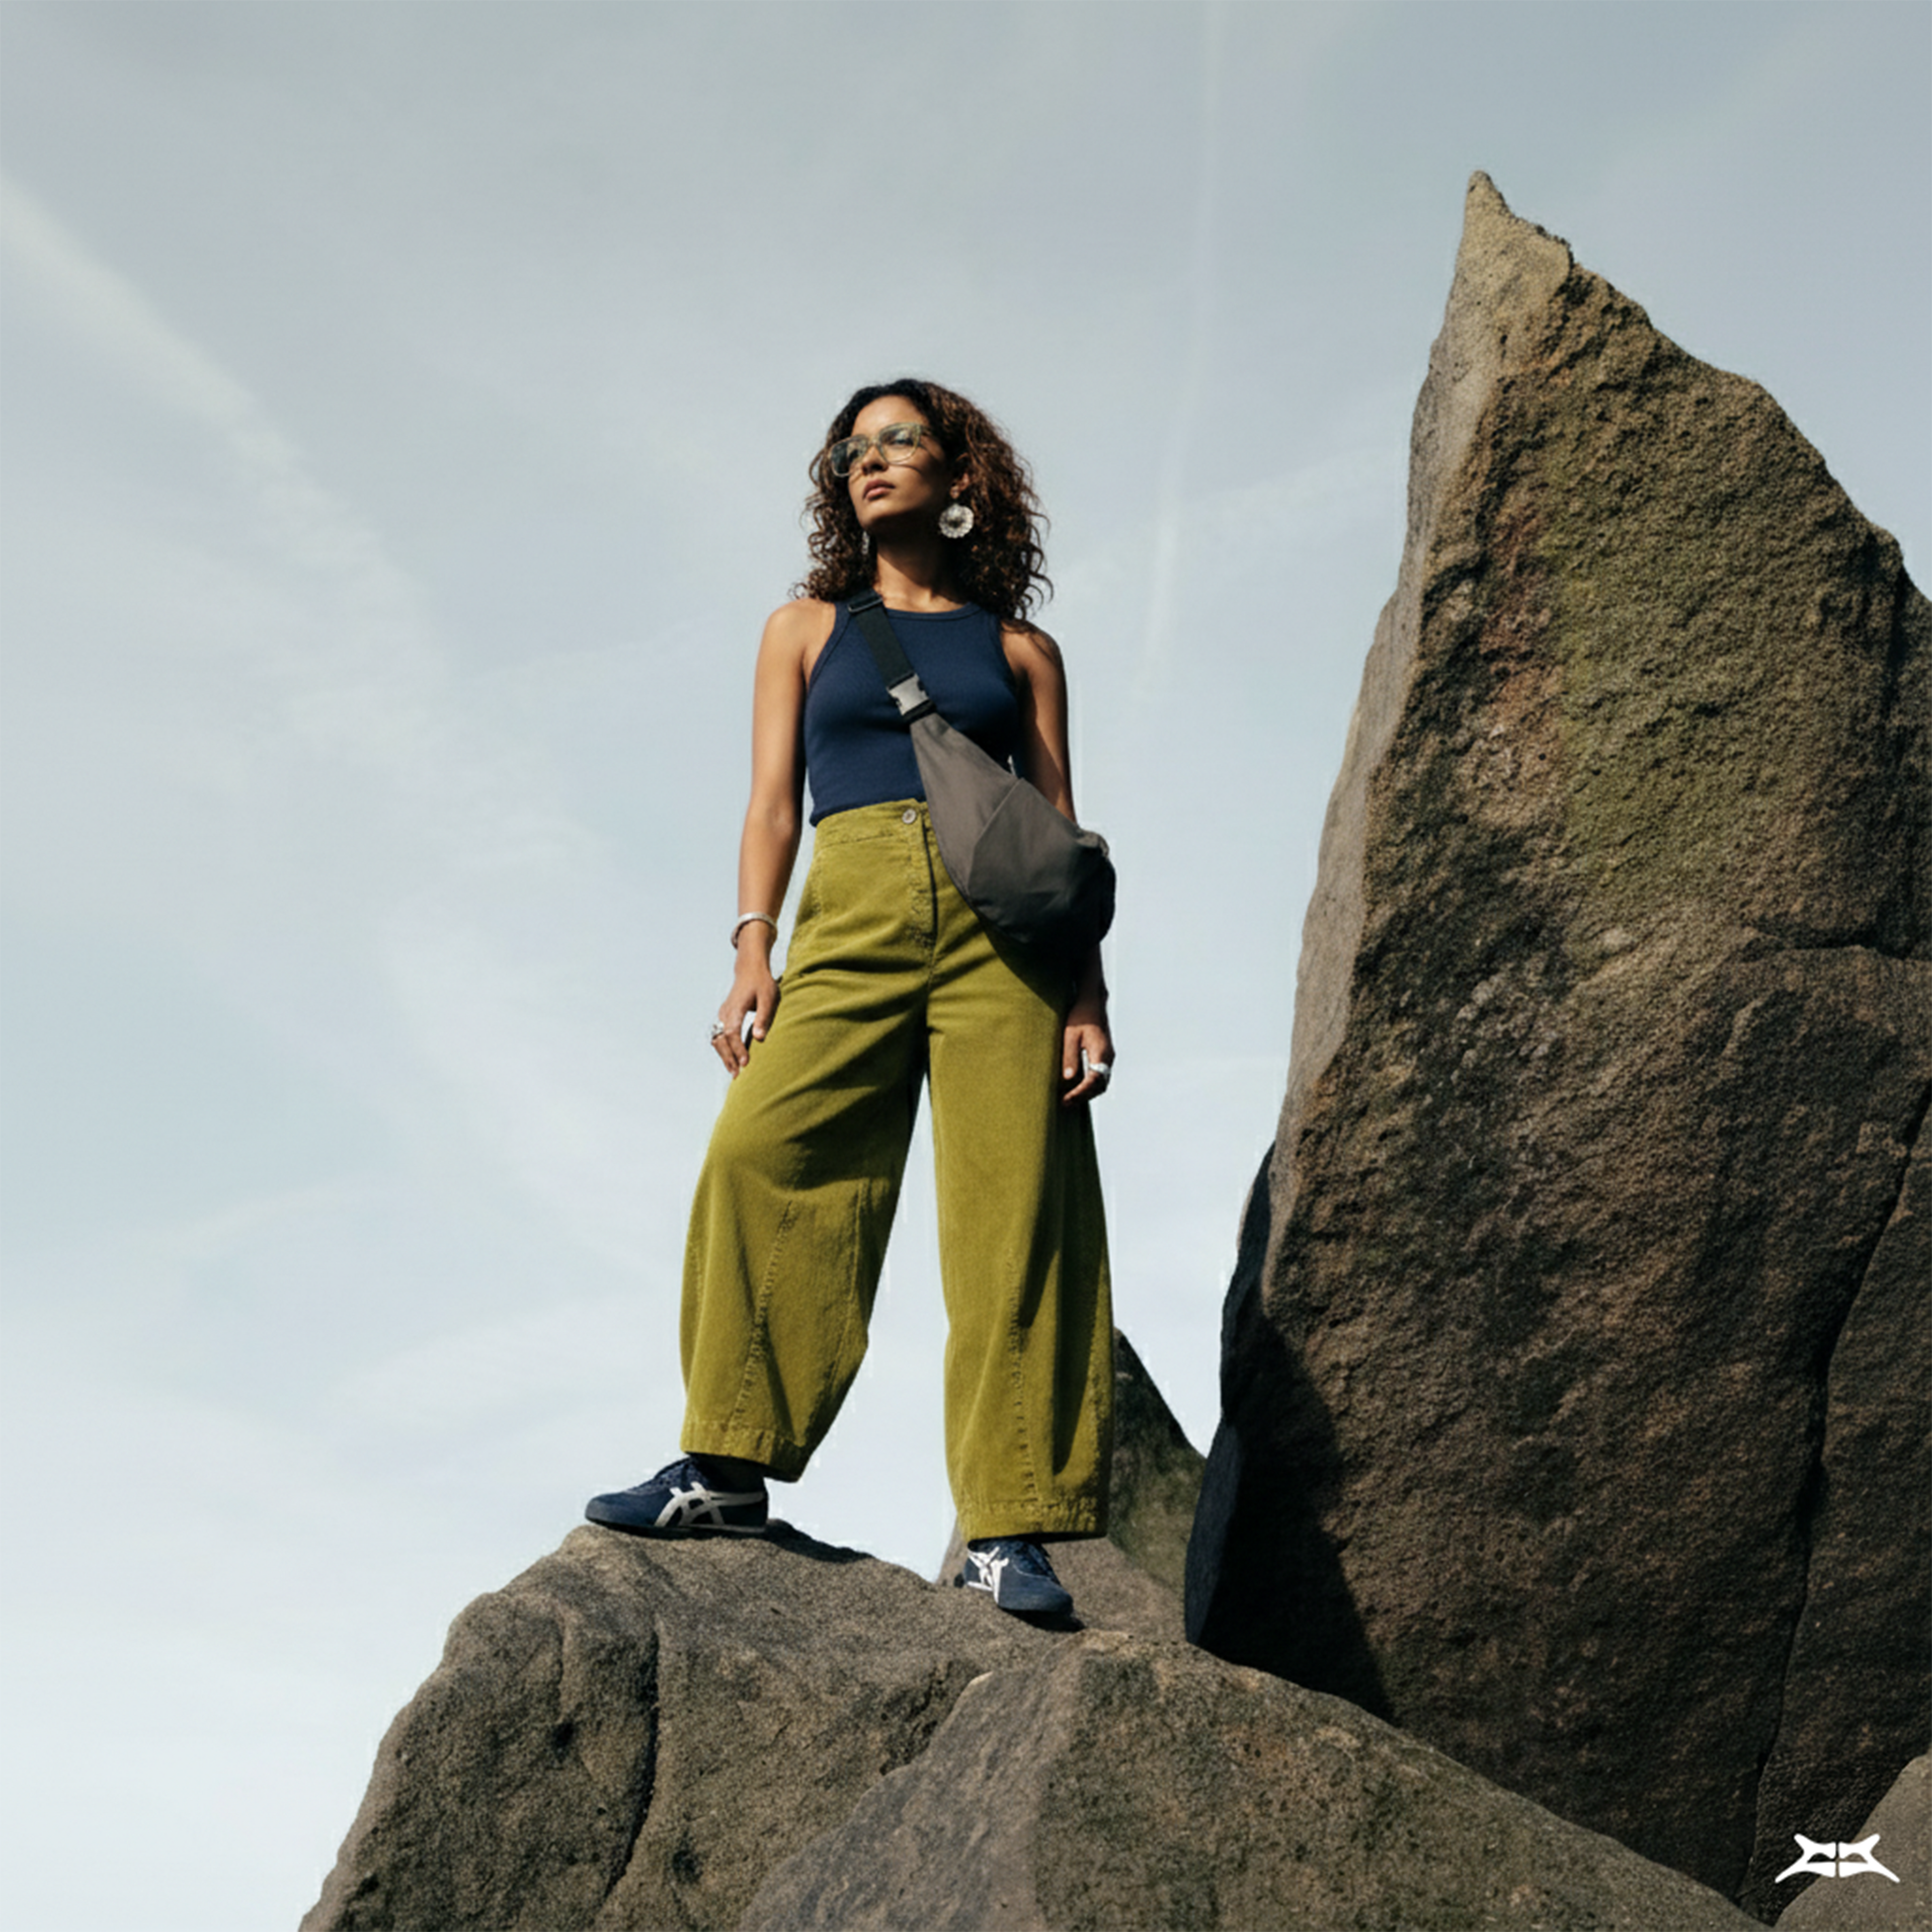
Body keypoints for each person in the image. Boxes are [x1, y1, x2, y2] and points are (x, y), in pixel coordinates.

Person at [585, 378, 1114, 1619]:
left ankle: (1006, 1531)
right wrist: (752, 948)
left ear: (960, 477)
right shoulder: (807, 628)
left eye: (900, 442)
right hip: (853, 909)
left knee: (1015, 1218)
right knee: (759, 1152)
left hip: (1003, 945)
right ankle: (726, 1464)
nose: (870, 462)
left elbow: (1060, 835)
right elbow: (773, 804)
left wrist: (1085, 997)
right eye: (853, 449)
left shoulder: (1021, 653)